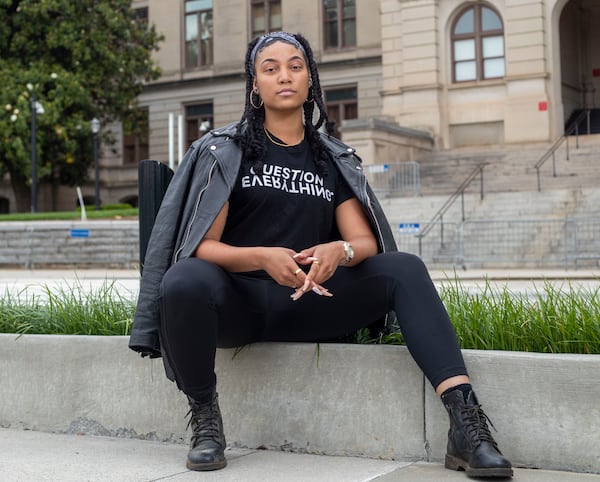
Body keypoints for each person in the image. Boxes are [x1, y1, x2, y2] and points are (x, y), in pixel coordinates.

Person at [129, 32, 513, 478]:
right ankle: (206, 422)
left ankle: (467, 428)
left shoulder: (330, 157)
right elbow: (202, 247)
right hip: (243, 303)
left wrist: (340, 249)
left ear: (310, 80)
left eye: (295, 66)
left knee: (405, 269)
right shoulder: (226, 151)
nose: (284, 76)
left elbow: (365, 243)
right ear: (255, 86)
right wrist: (262, 257)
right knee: (184, 280)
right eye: (270, 68)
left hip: (313, 301)